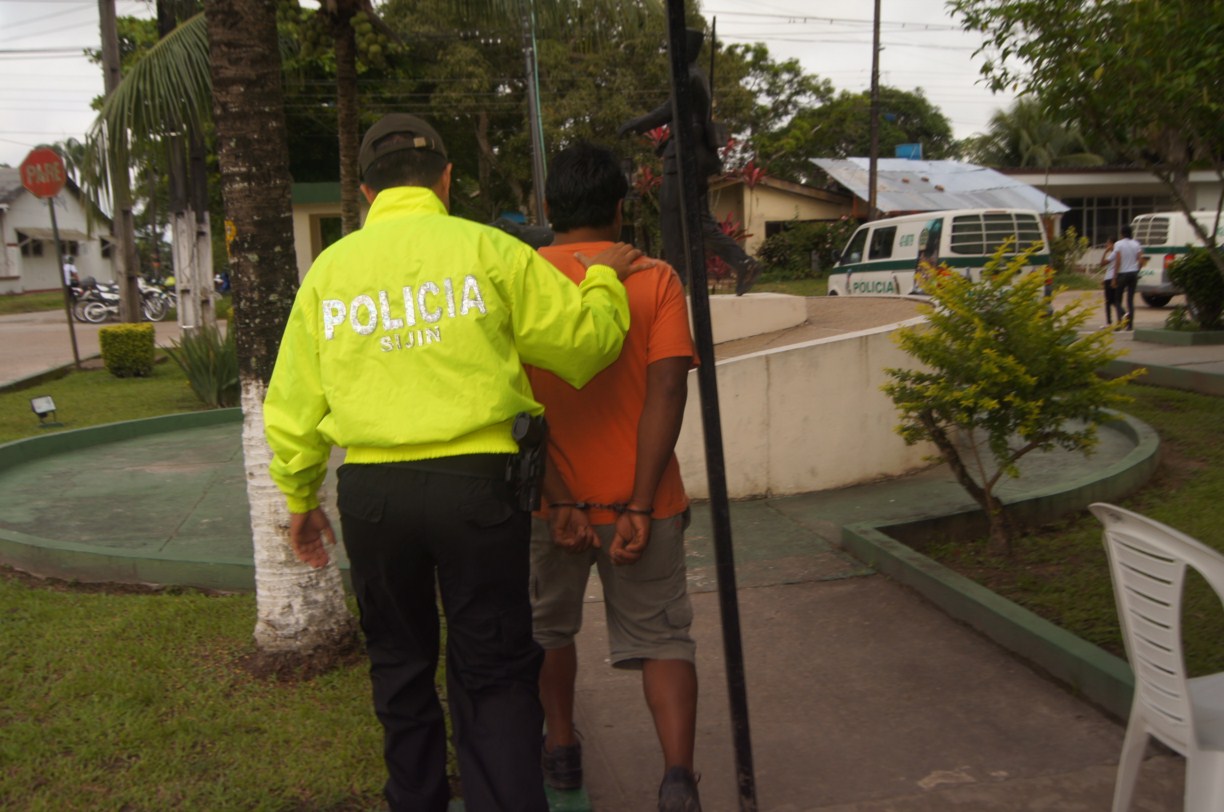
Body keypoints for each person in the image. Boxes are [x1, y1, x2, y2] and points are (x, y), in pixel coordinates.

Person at [262, 114, 651, 812]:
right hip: (478, 491)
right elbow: (585, 347)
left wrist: (299, 496)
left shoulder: (330, 271)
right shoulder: (489, 249)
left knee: (399, 665)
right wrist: (600, 280)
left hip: (374, 495)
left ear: (366, 190)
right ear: (445, 179)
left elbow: (292, 402)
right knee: (494, 671)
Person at [527, 142, 703, 811]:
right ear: (621, 209)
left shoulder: (521, 282)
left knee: (548, 632)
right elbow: (668, 391)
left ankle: (562, 751)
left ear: (549, 206)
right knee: (665, 640)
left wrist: (558, 500)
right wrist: (639, 503)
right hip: (645, 505)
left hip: (550, 506)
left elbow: (515, 404)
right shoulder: (655, 278)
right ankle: (678, 778)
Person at [618, 28, 761, 296]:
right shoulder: (695, 75)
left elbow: (667, 110)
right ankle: (739, 264)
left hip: (685, 158)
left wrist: (635, 123)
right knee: (696, 222)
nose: (670, 55)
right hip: (687, 155)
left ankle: (678, 277)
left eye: (673, 49)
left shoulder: (690, 77)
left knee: (673, 219)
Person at [1112, 224, 1145, 330]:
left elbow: (1118, 261)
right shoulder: (1136, 244)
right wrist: (1137, 270)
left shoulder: (1118, 244)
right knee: (1130, 300)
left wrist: (1114, 277)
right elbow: (1141, 260)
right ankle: (1130, 325)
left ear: (1122, 234)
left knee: (1117, 299)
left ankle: (1120, 322)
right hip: (1133, 273)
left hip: (1123, 273)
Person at [1099, 237, 1123, 326]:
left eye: (1108, 243)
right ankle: (1123, 314)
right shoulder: (1118, 254)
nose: (1106, 245)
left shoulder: (1113, 253)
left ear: (1113, 244)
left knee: (1108, 301)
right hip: (1113, 277)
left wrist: (1105, 252)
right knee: (1114, 300)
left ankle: (1109, 321)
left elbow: (1102, 264)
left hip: (1110, 279)